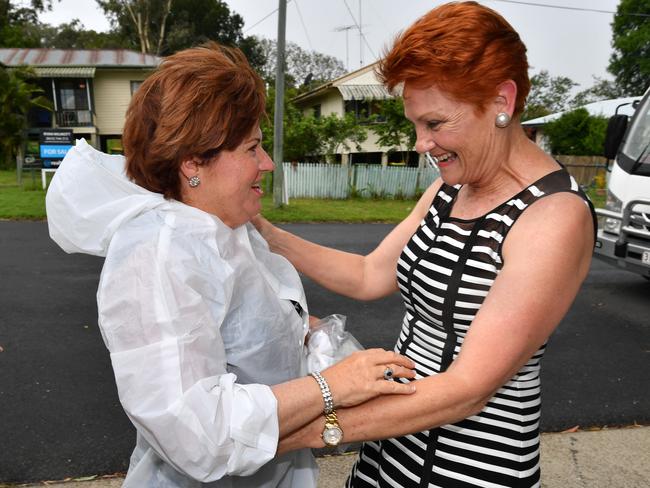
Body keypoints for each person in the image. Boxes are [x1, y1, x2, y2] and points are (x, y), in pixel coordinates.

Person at [253, 2, 598, 487]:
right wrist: (265, 232)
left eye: (435, 124)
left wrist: (284, 430)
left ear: (501, 100)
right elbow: (370, 274)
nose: (420, 144)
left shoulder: (553, 216)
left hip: (471, 473)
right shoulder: (448, 189)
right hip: (388, 456)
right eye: (416, 125)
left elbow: (467, 389)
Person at [45, 42, 417, 488]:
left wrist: (313, 339)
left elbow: (250, 327)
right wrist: (332, 386)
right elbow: (197, 434)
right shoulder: (157, 257)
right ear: (192, 164)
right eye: (252, 148)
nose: (268, 163)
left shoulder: (226, 228)